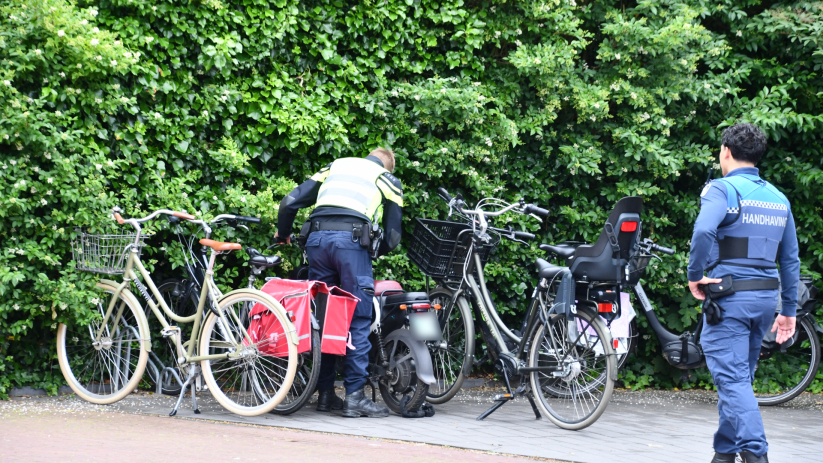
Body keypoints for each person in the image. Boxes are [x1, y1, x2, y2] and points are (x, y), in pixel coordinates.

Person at [687, 123, 800, 463]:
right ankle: (724, 454)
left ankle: (755, 454)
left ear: (726, 151)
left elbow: (705, 229)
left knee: (733, 381)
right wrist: (789, 310)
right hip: (766, 300)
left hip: (730, 300)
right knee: (738, 379)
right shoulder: (779, 198)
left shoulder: (721, 190)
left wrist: (695, 276)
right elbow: (790, 258)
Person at [275, 147, 403, 418]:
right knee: (357, 316)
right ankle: (354, 397)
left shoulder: (335, 166)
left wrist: (283, 232)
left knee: (322, 319)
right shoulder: (386, 178)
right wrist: (372, 252)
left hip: (317, 242)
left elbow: (289, 202)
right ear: (388, 165)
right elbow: (392, 235)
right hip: (352, 244)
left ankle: (325, 395)